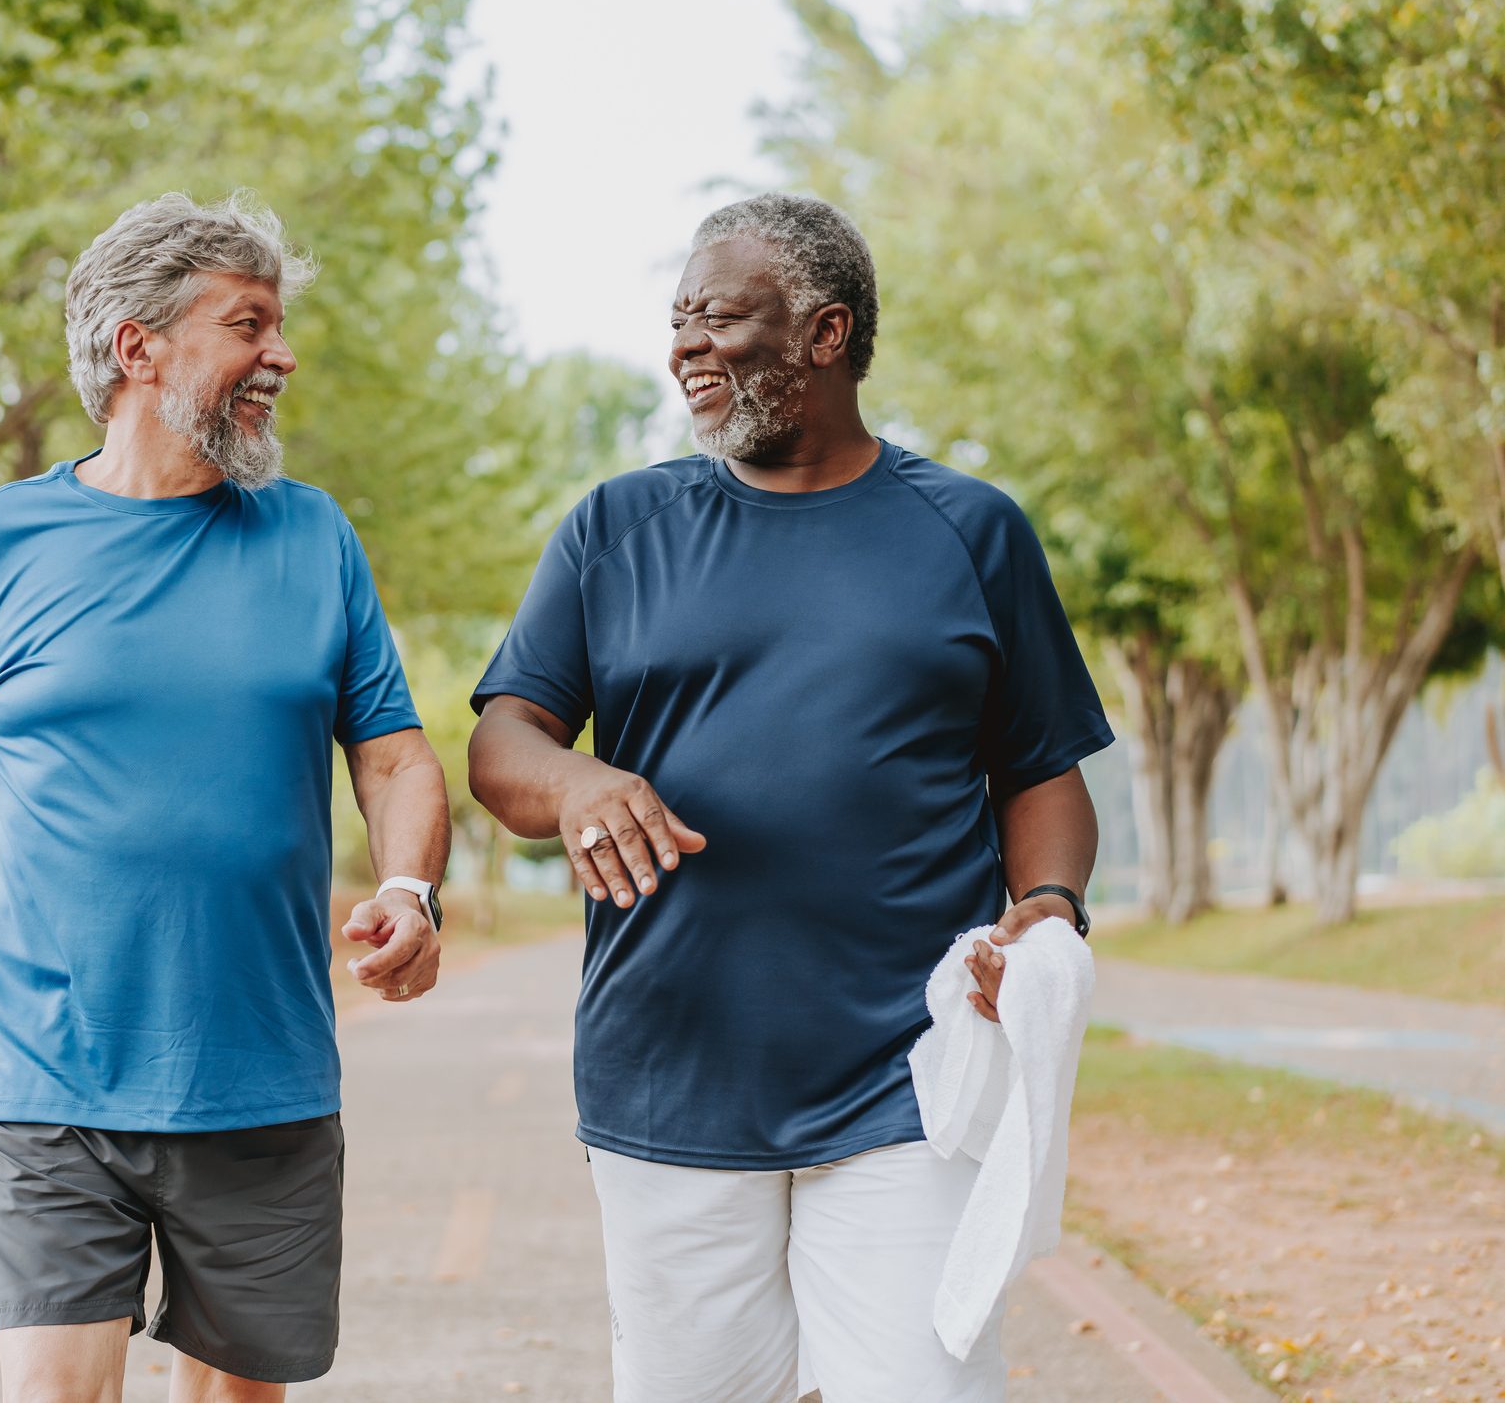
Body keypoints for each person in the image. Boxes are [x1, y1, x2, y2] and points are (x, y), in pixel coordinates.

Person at [466, 193, 1113, 1402]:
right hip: (669, 1071)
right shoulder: (617, 527)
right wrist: (578, 779)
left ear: (826, 334)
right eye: (678, 322)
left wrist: (1052, 905)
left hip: (908, 1075)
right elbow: (505, 743)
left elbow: (1042, 771)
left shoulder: (971, 532)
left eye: (719, 318)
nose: (685, 348)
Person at [0, 192, 451, 1403]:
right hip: (46, 1082)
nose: (280, 356)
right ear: (140, 346)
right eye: (249, 325)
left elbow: (392, 755)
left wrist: (409, 887)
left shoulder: (312, 536)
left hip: (261, 1075)